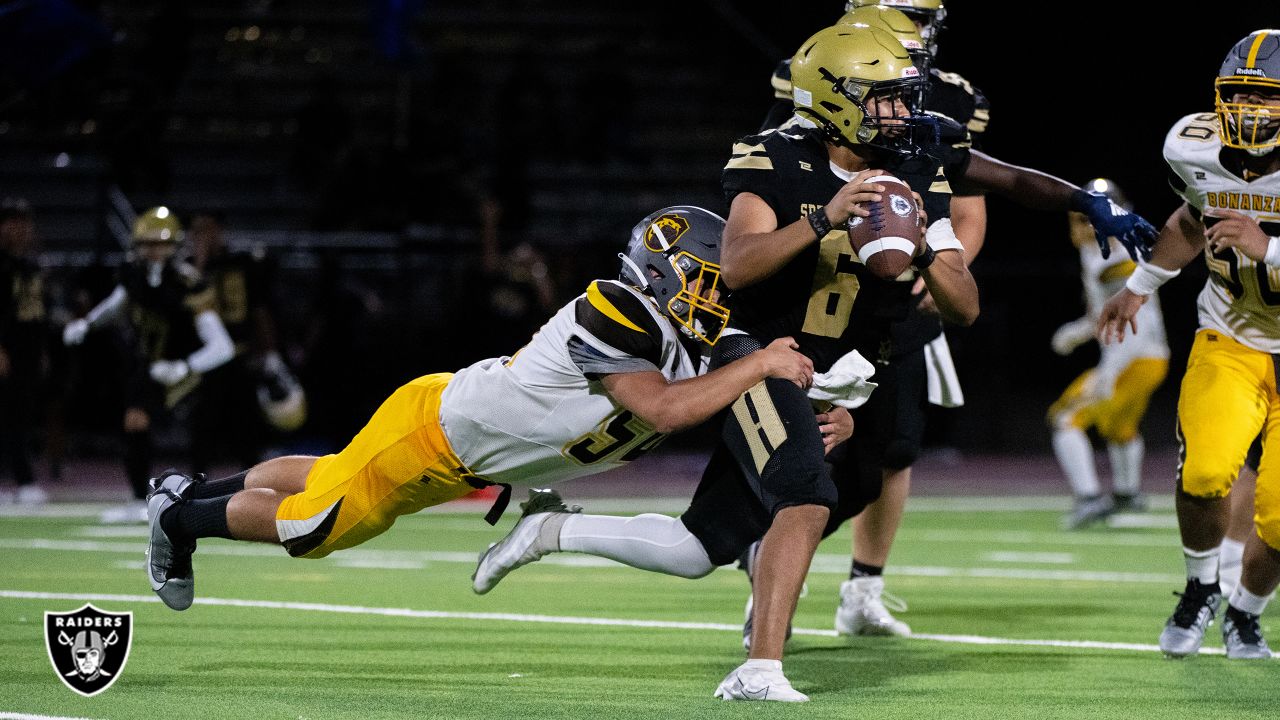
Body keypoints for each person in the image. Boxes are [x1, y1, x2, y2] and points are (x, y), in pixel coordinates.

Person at [475, 24, 1156, 702]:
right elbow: (737, 267)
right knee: (805, 495)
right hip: (765, 354)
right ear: (834, 101)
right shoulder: (772, 160)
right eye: (882, 98)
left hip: (850, 368)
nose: (900, 113)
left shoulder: (915, 166)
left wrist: (922, 249)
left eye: (900, 98)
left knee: (697, 548)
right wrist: (825, 218)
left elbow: (966, 307)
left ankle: (552, 530)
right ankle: (760, 669)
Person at [143, 206, 833, 618]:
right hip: (434, 435)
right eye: (707, 282)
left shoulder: (695, 345)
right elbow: (665, 409)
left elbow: (751, 399)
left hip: (462, 445)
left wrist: (828, 411)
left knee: (333, 474)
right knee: (316, 527)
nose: (719, 300)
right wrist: (759, 362)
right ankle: (179, 517)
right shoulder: (617, 306)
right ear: (665, 270)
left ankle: (190, 493)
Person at [1098, 29, 1280, 660]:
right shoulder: (1194, 146)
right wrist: (1143, 284)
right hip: (1229, 334)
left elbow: (1252, 237)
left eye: (1270, 99)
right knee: (1205, 472)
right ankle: (1201, 587)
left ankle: (1245, 613)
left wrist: (1269, 247)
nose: (1253, 112)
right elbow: (1188, 218)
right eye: (1241, 95)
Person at [63, 207, 235, 523]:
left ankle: (198, 502)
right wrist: (87, 324)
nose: (154, 251)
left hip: (192, 369)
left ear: (174, 246)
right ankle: (138, 498)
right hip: (151, 365)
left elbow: (222, 346)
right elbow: (117, 305)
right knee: (135, 421)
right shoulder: (133, 275)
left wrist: (185, 366)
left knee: (198, 432)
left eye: (161, 243)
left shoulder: (188, 283)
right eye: (148, 243)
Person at [1048, 178, 1169, 529]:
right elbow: (1102, 315)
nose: (1086, 225)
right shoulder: (1099, 252)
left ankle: (1088, 497)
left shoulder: (1120, 256)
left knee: (1065, 418)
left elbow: (1136, 322)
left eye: (1092, 217)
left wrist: (1110, 370)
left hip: (1135, 357)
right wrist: (1076, 333)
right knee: (1119, 426)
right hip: (1148, 358)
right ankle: (1128, 493)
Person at [186, 210, 284, 471]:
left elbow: (260, 309)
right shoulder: (187, 268)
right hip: (204, 359)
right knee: (202, 424)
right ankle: (196, 483)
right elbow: (188, 297)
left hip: (241, 355)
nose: (203, 236)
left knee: (246, 424)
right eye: (197, 230)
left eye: (208, 229)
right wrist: (200, 259)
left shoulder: (243, 263)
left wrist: (269, 353)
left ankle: (254, 480)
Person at [0, 198, 51, 505]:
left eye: (24, 223)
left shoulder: (29, 264)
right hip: (7, 349)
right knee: (10, 415)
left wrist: (41, 350)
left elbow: (35, 312)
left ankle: (21, 479)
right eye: (11, 222)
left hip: (27, 350)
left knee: (20, 414)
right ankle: (23, 479)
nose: (19, 229)